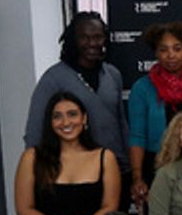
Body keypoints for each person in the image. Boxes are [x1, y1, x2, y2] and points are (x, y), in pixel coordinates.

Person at [25, 12, 129, 180]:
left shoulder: (112, 74)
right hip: (73, 174)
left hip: (115, 168)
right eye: (84, 38)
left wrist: (130, 167)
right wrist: (38, 175)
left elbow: (121, 123)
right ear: (73, 40)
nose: (92, 43)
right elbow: (35, 131)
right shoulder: (53, 78)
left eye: (97, 37)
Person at [127, 21, 182, 206]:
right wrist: (137, 177)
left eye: (177, 48)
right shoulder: (142, 89)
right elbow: (137, 136)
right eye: (163, 49)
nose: (171, 55)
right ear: (156, 53)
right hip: (158, 169)